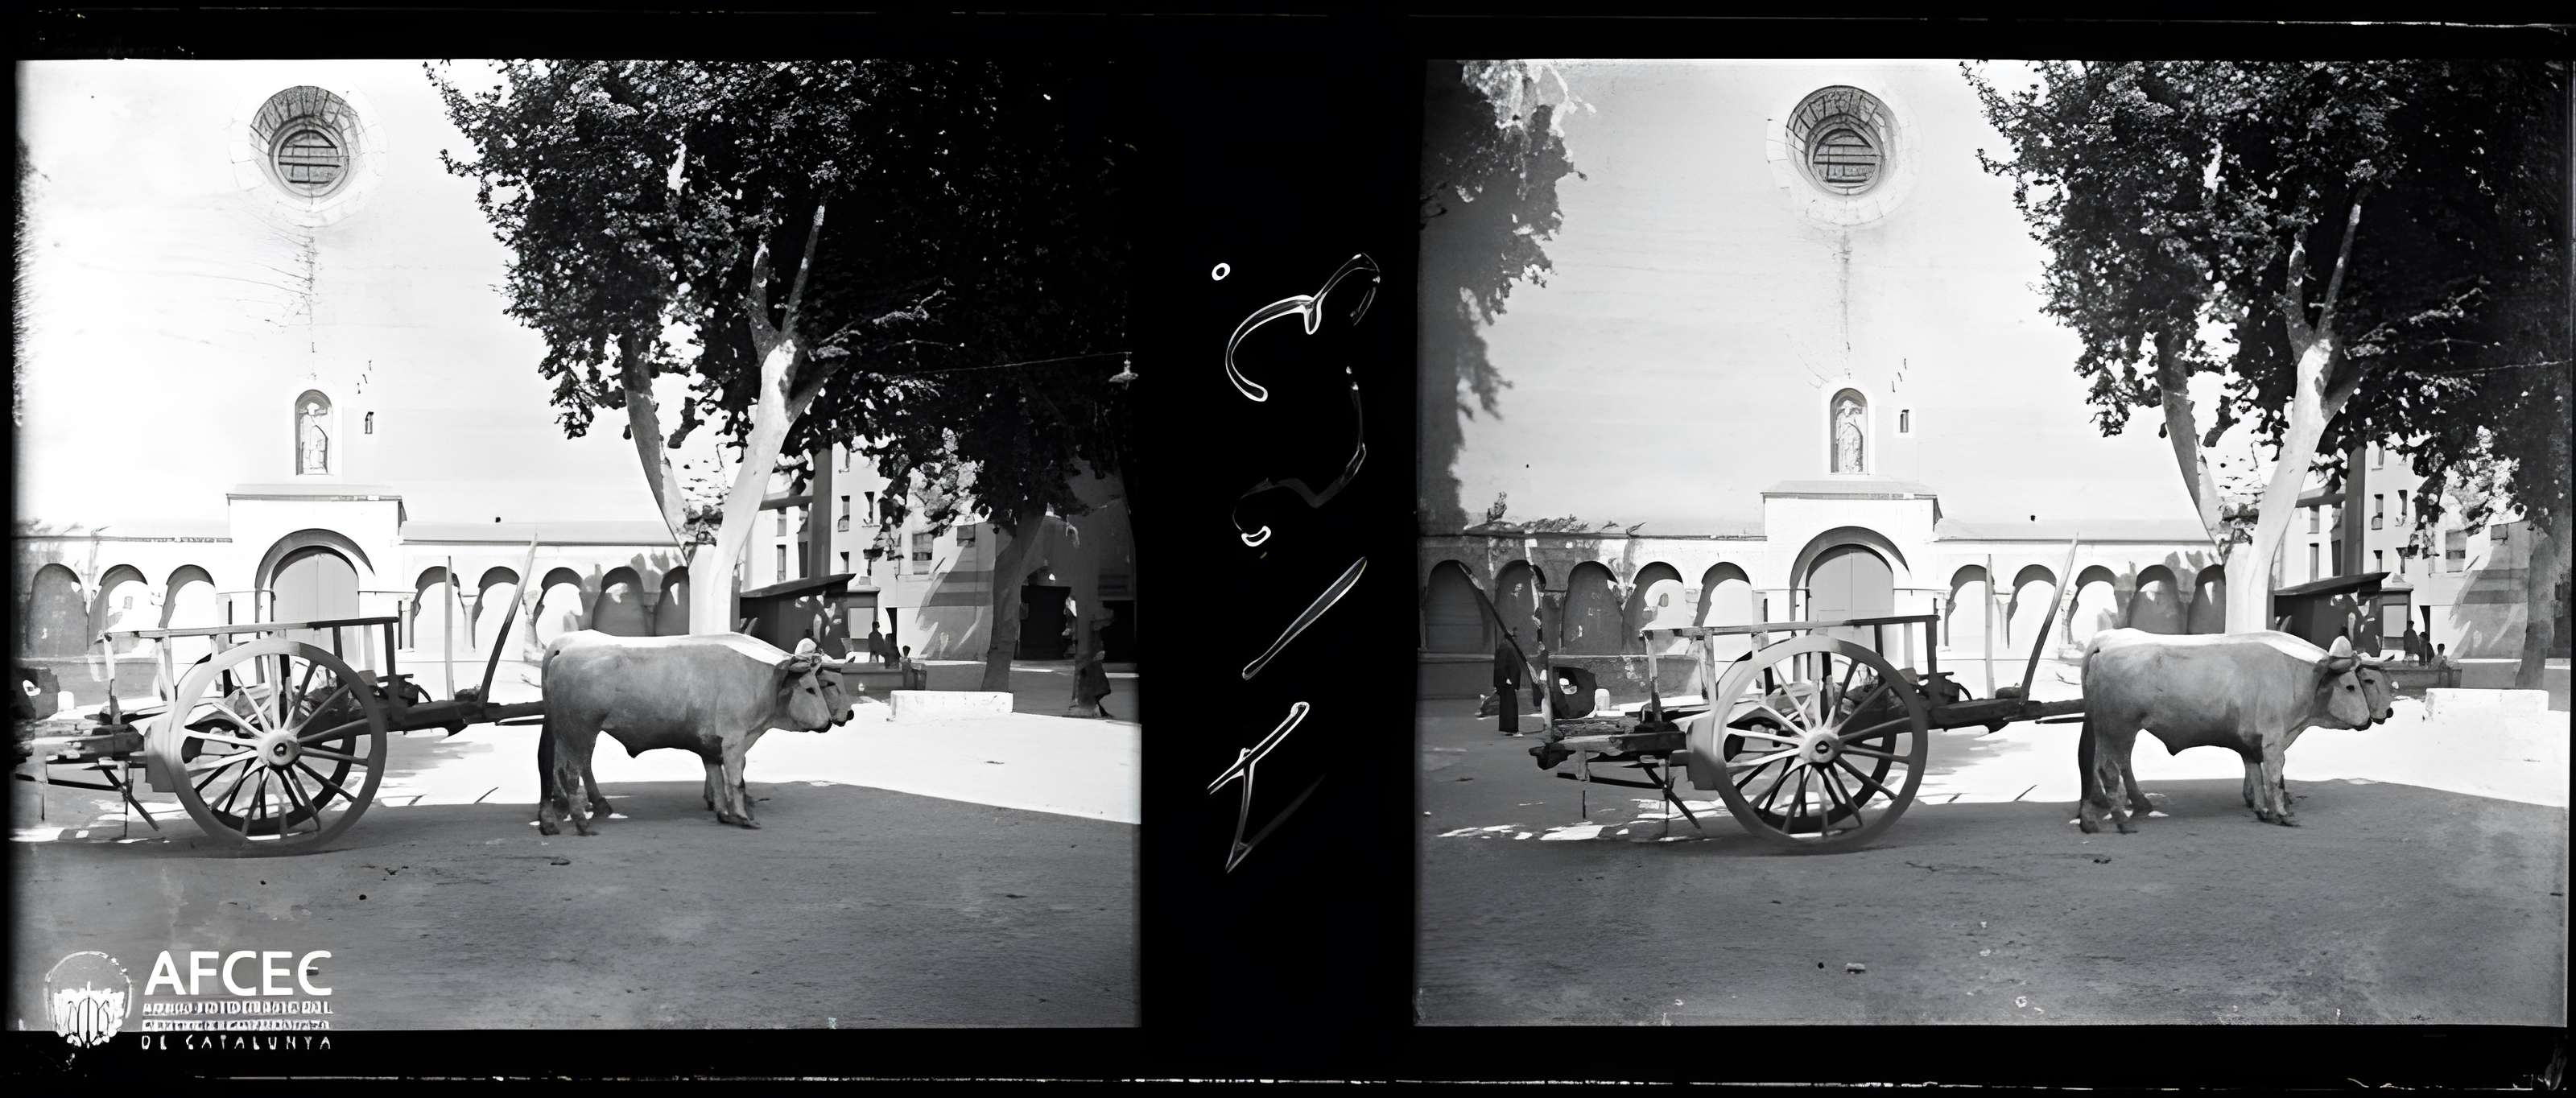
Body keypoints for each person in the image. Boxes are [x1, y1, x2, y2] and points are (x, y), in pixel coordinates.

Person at [1493, 628, 1527, 736]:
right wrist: (1506, 679)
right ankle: (1513, 729)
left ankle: (1508, 728)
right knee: (1510, 706)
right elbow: (1501, 666)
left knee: (1506, 705)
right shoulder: (1506, 648)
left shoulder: (1506, 647)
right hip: (1508, 682)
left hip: (1507, 682)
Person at [1075, 649, 1114, 720]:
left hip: (1099, 688)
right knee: (1095, 700)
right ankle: (1102, 713)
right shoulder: (1093, 665)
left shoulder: (1094, 665)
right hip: (1099, 688)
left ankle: (1101, 713)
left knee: (1095, 699)